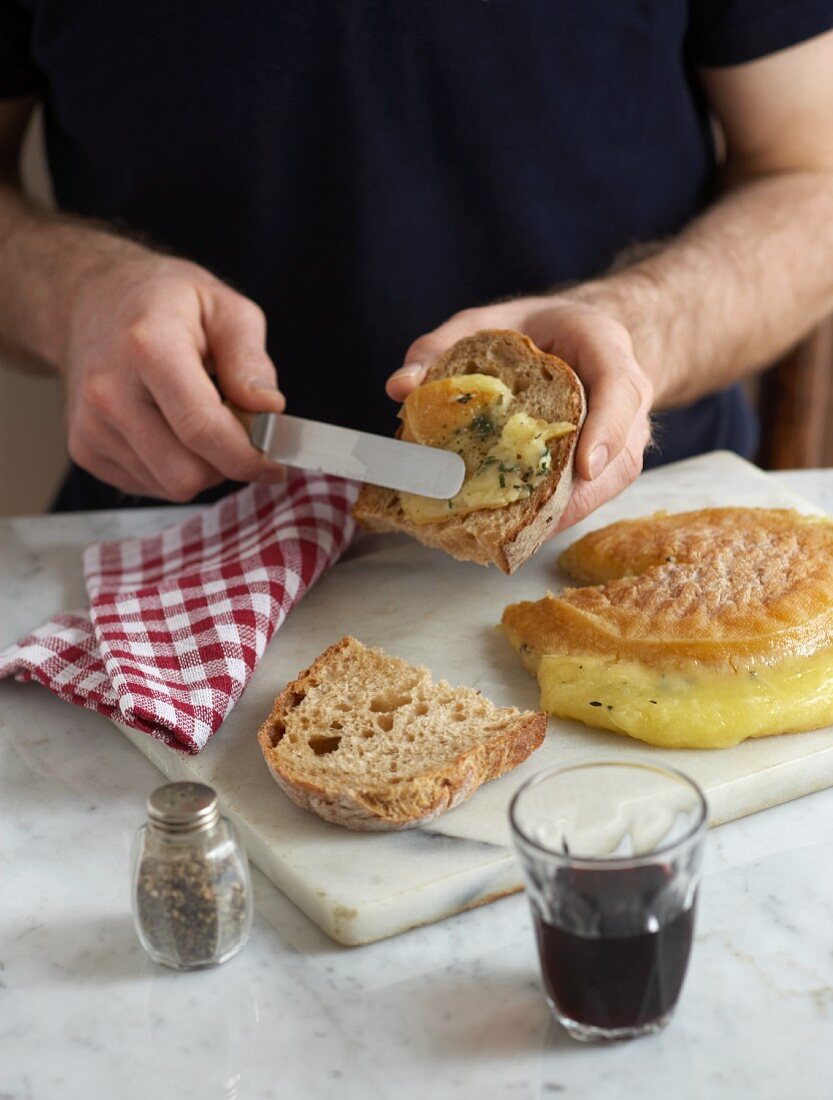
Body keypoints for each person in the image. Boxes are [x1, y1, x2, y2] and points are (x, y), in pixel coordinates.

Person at [0, 3, 832, 532]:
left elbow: (811, 177)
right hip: (161, 547)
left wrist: (636, 326)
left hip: (631, 530)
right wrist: (72, 297)